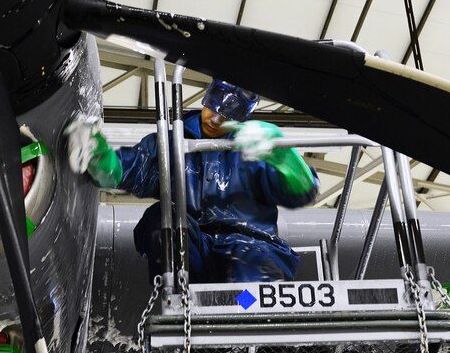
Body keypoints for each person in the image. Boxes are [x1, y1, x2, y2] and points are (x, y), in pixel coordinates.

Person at [66, 79, 319, 283]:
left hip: (252, 249)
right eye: (213, 108)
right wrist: (99, 155)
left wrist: (284, 156)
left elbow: (302, 192)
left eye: (226, 116)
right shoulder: (171, 144)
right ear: (206, 97)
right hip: (193, 249)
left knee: (246, 292)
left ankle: (241, 331)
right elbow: (127, 170)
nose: (214, 119)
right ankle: (179, 300)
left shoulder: (256, 152)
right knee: (161, 218)